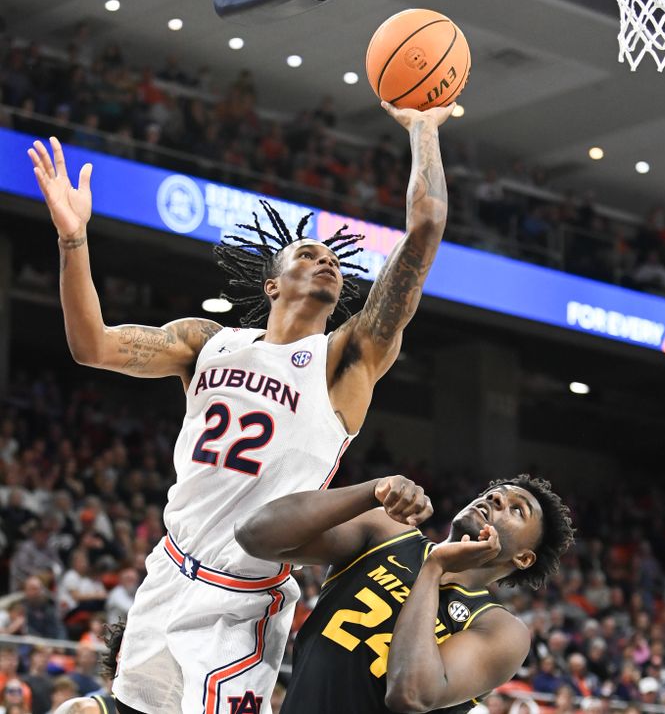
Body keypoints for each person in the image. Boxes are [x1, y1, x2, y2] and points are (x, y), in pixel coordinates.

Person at [28, 97, 454, 713]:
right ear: (271, 284)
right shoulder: (206, 341)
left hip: (241, 601)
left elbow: (425, 230)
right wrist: (73, 240)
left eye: (332, 260)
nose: (323, 260)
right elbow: (91, 347)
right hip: (168, 571)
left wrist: (422, 130)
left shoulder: (346, 361)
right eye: (306, 254)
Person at [235, 472, 575, 713]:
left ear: (524, 558)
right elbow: (255, 535)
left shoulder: (501, 630)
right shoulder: (387, 532)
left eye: (517, 510)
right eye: (495, 492)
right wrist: (373, 490)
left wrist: (433, 569)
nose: (497, 497)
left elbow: (410, 694)